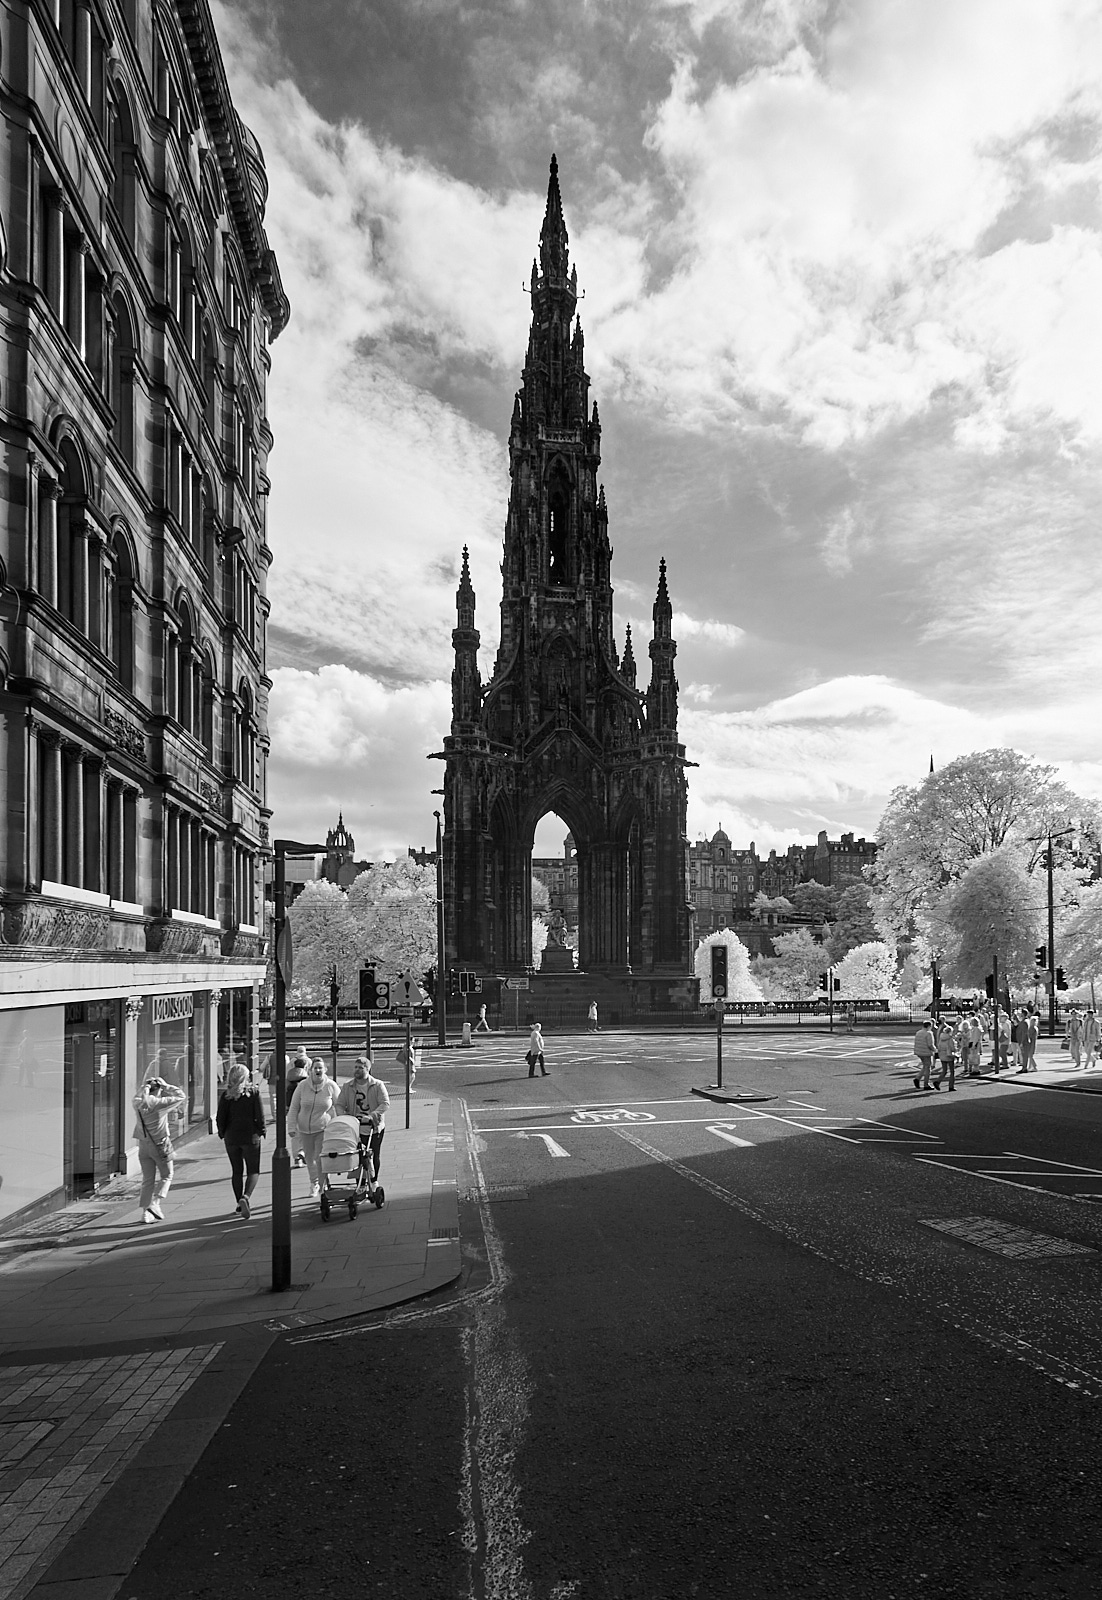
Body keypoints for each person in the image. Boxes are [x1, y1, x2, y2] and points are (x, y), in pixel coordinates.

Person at [133, 1074, 186, 1224]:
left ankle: (145, 1213)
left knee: (147, 1179)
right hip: (160, 1145)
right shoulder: (159, 1104)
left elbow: (139, 1095)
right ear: (158, 1090)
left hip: (143, 1145)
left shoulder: (137, 1102)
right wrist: (166, 1086)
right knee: (167, 1175)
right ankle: (155, 1203)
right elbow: (181, 1096)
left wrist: (145, 1087)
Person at [215, 1063, 266, 1220]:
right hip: (250, 1136)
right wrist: (261, 1130)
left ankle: (239, 1203)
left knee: (236, 1171)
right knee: (253, 1170)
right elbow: (260, 1116)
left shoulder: (226, 1096)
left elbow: (220, 1117)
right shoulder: (254, 1093)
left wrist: (223, 1133)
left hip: (232, 1137)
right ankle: (246, 1196)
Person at [289, 1059, 341, 1197]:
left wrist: (341, 1124)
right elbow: (294, 1107)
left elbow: (340, 1105)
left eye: (320, 1068)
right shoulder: (302, 1086)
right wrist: (291, 1127)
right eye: (315, 1068)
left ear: (325, 1070)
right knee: (309, 1158)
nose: (318, 1070)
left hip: (323, 1128)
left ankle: (321, 1185)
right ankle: (314, 1182)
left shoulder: (330, 1086)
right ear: (310, 1070)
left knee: (319, 1157)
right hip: (304, 1129)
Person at [336, 1057, 391, 1182]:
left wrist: (372, 1115)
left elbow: (385, 1103)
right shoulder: (348, 1086)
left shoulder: (377, 1085)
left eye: (360, 1068)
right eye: (355, 1067)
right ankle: (360, 1183)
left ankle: (374, 1180)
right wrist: (343, 1118)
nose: (357, 1070)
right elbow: (339, 1104)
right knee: (358, 1155)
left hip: (373, 1126)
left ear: (367, 1069)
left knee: (374, 1153)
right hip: (355, 1127)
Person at [285, 1045, 311, 1166]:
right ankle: (303, 1152)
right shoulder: (306, 1081)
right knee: (306, 1132)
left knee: (295, 1134)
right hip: (305, 1108)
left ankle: (297, 1157)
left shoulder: (290, 1077)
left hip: (292, 1108)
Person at [933, 1018, 958, 1091]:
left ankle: (938, 1081)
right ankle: (951, 1086)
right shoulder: (950, 1039)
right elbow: (953, 1048)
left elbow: (939, 1046)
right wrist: (956, 1050)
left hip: (942, 1055)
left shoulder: (941, 1038)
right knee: (952, 1071)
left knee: (944, 1070)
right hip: (949, 1055)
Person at [912, 1019, 935, 1091]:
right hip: (926, 1052)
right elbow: (930, 1045)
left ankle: (917, 1078)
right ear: (929, 1026)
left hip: (919, 1051)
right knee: (928, 1068)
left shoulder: (918, 1032)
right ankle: (926, 1084)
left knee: (925, 1066)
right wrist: (935, 1050)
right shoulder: (929, 1033)